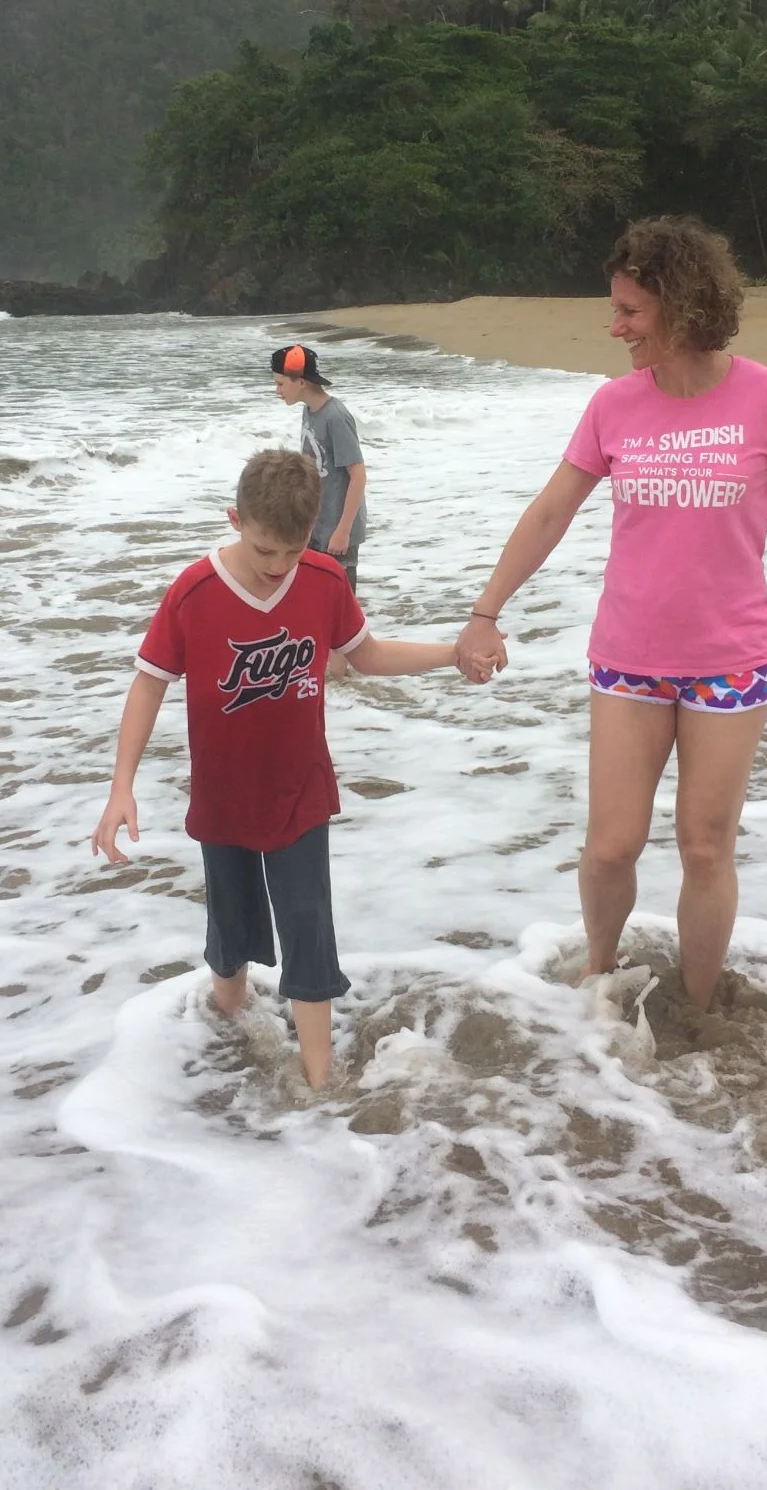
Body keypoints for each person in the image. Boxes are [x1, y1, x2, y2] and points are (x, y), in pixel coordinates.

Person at [455, 215, 767, 1010]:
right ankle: (599, 976)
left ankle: (699, 1007)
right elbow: (551, 512)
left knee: (705, 848)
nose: (614, 327)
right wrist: (486, 611)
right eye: (614, 309)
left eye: (630, 311)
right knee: (612, 846)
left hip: (730, 661)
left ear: (683, 305)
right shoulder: (613, 405)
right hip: (628, 658)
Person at [90, 448, 458, 1089]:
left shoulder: (323, 579)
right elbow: (148, 683)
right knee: (230, 935)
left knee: (309, 929)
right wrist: (121, 786)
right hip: (224, 795)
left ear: (310, 533)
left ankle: (319, 1080)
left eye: (292, 551)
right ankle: (227, 1028)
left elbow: (367, 655)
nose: (278, 566)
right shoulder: (194, 591)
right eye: (264, 550)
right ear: (235, 520)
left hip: (299, 790)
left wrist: (453, 652)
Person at [271, 344, 367, 591]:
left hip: (337, 530)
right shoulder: (310, 411)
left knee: (341, 602)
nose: (277, 391)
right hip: (316, 526)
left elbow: (358, 475)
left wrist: (343, 531)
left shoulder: (335, 416)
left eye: (281, 384)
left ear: (301, 382)